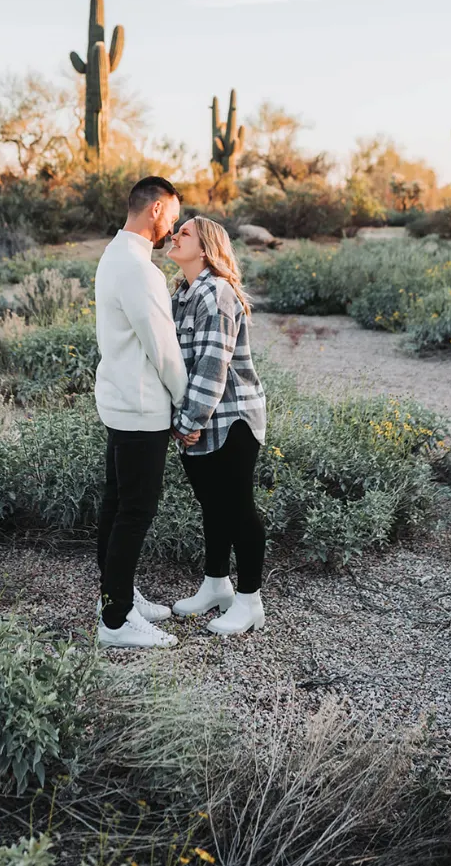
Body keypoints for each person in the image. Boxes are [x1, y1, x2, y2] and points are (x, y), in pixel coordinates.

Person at [94, 176, 188, 648]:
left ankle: (117, 594)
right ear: (155, 208)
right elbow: (163, 349)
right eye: (172, 215)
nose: (173, 227)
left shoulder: (115, 254)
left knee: (116, 504)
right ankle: (115, 621)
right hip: (141, 406)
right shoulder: (138, 269)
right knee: (135, 511)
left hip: (119, 400)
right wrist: (186, 398)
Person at [168, 216, 267, 635]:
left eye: (184, 233)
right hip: (198, 418)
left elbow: (212, 365)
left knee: (238, 509)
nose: (174, 236)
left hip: (231, 420)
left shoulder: (217, 294)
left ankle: (250, 602)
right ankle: (216, 585)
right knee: (212, 507)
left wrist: (188, 421)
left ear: (205, 248)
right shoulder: (182, 294)